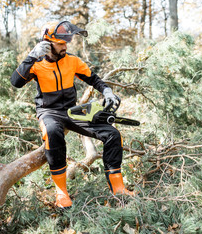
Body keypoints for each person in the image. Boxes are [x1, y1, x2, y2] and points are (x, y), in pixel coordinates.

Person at [10, 20, 134, 209]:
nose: (64, 46)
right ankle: (61, 192)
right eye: (60, 43)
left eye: (66, 42)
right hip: (49, 112)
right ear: (47, 43)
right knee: (52, 134)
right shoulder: (36, 64)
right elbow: (15, 82)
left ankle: (118, 187)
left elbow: (94, 79)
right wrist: (31, 56)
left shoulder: (72, 61)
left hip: (72, 111)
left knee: (112, 134)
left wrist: (107, 91)